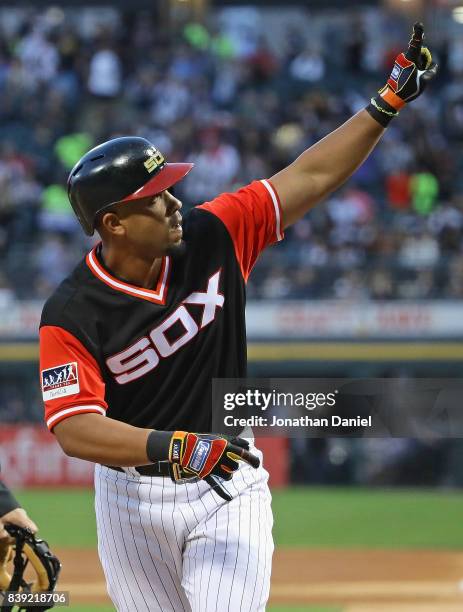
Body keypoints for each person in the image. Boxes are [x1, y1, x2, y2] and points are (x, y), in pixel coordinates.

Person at [39, 24, 436, 612]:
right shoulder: (72, 312)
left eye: (169, 188)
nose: (175, 202)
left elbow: (309, 177)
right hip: (130, 501)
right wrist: (175, 447)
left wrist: (386, 103)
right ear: (114, 223)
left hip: (226, 480)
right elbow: (74, 428)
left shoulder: (213, 233)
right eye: (155, 196)